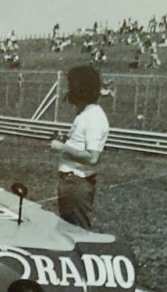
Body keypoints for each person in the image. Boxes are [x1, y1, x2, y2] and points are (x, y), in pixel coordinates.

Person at [50, 64, 109, 229]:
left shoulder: (93, 117)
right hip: (72, 182)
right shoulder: (85, 114)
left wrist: (61, 147)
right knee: (67, 231)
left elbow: (92, 156)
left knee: (77, 233)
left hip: (77, 183)